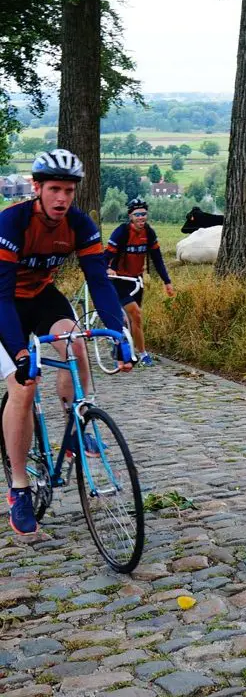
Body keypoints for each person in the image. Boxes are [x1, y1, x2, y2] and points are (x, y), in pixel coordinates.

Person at [0, 148, 132, 536]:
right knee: (24, 386)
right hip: (3, 303)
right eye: (55, 189)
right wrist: (20, 353)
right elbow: (2, 297)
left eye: (69, 191)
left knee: (75, 343)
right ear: (36, 188)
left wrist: (118, 334)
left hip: (41, 297)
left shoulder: (79, 225)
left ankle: (77, 421)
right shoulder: (12, 222)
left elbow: (99, 282)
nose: (62, 198)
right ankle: (19, 488)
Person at [105, 198, 174, 367]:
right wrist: (108, 269)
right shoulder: (121, 232)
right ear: (130, 216)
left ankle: (134, 351)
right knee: (135, 313)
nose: (141, 217)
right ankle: (136, 353)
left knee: (134, 319)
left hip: (136, 280)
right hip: (119, 280)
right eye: (137, 214)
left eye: (143, 214)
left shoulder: (148, 233)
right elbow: (106, 256)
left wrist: (167, 281)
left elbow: (157, 259)